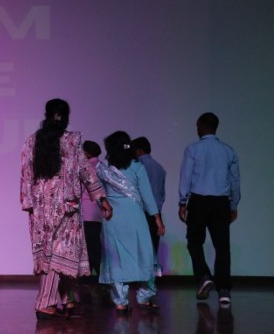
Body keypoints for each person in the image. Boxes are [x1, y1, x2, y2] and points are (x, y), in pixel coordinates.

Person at [20, 99, 112, 320]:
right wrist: (101, 198)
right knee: (58, 255)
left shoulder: (33, 140)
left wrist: (29, 204)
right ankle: (45, 303)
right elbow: (85, 171)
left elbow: (25, 174)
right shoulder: (70, 141)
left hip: (41, 209)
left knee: (59, 256)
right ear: (65, 116)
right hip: (65, 207)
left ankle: (67, 300)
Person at [96, 131, 165, 313]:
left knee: (117, 259)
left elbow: (98, 195)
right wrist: (157, 218)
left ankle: (120, 301)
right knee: (144, 255)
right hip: (135, 218)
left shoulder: (104, 170)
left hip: (112, 218)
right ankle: (144, 296)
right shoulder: (137, 167)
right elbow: (147, 196)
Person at [178, 112, 240, 306]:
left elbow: (186, 177)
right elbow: (235, 181)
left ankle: (204, 276)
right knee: (222, 246)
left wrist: (182, 202)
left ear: (201, 126)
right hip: (221, 202)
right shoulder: (228, 151)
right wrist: (233, 205)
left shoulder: (193, 149)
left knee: (194, 241)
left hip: (199, 201)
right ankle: (224, 291)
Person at [131, 136, 166, 259]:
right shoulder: (159, 167)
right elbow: (162, 193)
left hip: (141, 211)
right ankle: (152, 271)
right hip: (156, 212)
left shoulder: (137, 166)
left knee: (138, 249)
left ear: (139, 150)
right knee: (153, 248)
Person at [80, 140, 104, 285]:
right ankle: (99, 274)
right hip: (98, 212)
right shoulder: (102, 167)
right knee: (95, 243)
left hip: (87, 211)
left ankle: (89, 275)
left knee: (89, 245)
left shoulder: (87, 167)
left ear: (87, 153)